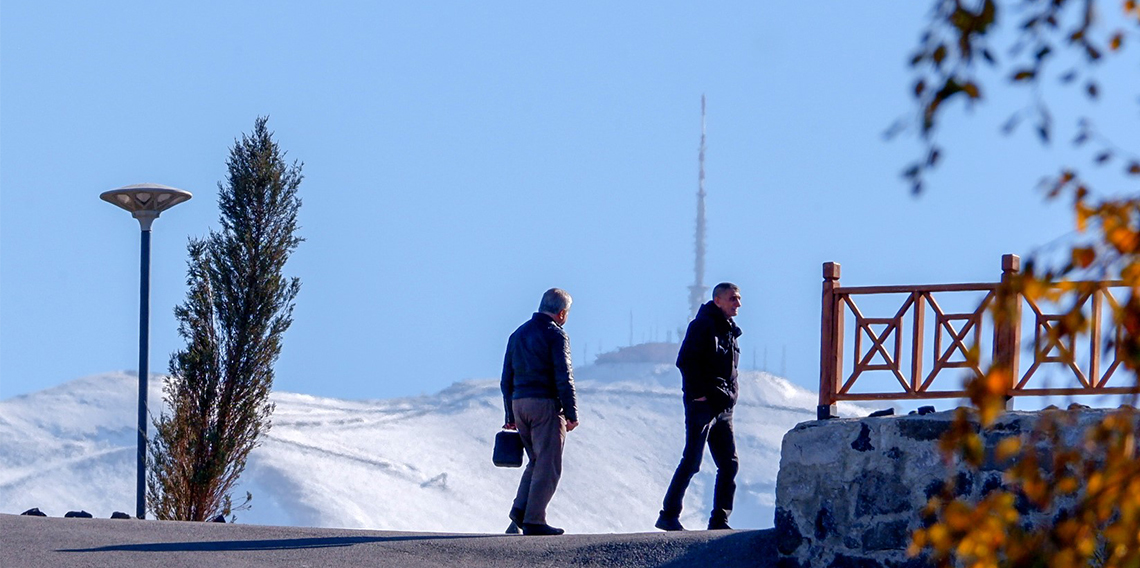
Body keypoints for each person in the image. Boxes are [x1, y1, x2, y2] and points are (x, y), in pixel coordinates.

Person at [656, 282, 742, 531]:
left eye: (738, 299)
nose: (737, 304)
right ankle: (669, 514)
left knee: (729, 464)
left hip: (723, 408)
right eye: (732, 299)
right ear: (717, 300)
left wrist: (732, 396)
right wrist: (699, 396)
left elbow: (730, 370)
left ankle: (719, 520)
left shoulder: (729, 330)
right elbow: (685, 361)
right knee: (692, 460)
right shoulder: (703, 325)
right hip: (703, 407)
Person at [500, 288, 580, 536]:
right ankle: (534, 520)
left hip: (519, 403)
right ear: (562, 313)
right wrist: (571, 412)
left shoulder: (518, 333)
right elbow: (563, 375)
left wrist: (510, 415)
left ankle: (521, 510)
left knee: (536, 460)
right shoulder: (556, 335)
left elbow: (506, 378)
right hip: (544, 404)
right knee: (549, 464)